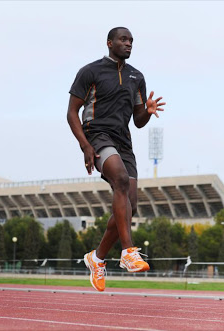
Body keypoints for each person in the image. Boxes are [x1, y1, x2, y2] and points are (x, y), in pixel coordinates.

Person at [67, 27, 165, 292]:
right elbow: (72, 112)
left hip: (124, 141)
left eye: (131, 40)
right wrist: (85, 146)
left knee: (128, 206)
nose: (128, 43)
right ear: (110, 43)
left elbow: (139, 121)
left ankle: (97, 258)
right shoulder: (91, 72)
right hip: (96, 134)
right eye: (123, 39)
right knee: (120, 180)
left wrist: (147, 111)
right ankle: (127, 252)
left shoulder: (136, 77)